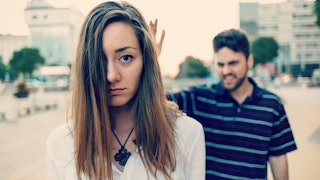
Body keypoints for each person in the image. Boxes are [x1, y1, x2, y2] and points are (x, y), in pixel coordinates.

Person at [46, 1, 205, 180]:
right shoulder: (62, 144)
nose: (111, 76)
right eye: (100, 60)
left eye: (126, 57)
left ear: (147, 60)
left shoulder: (186, 134)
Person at [166, 29, 297, 179]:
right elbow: (155, 101)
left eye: (233, 63)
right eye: (220, 65)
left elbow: (278, 156)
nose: (226, 70)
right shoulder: (200, 98)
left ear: (249, 61)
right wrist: (150, 57)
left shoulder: (272, 104)